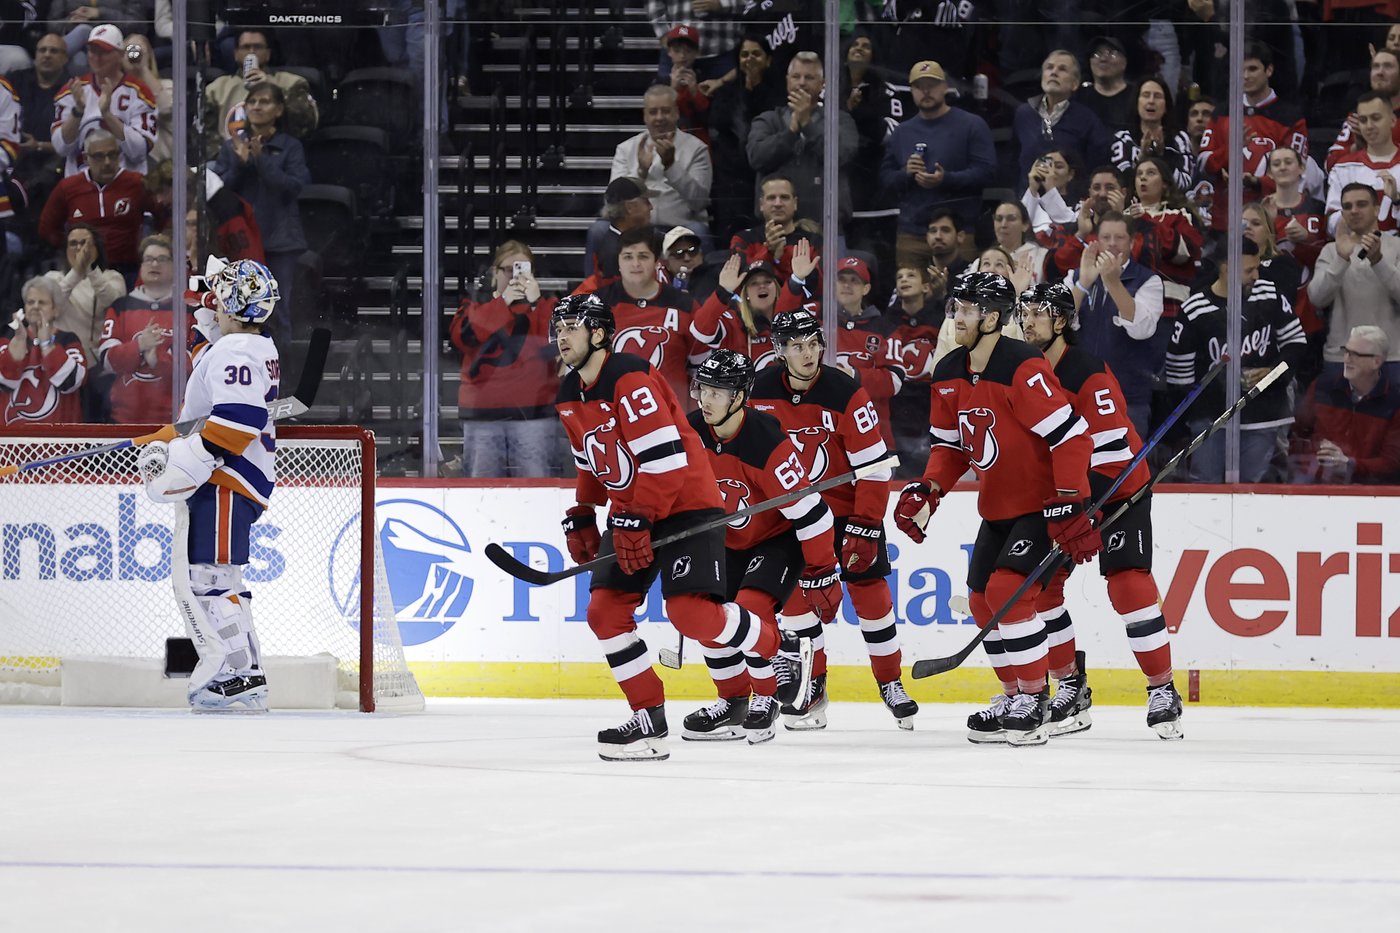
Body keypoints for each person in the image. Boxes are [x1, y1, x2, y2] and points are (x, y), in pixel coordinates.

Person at [551, 292, 813, 761]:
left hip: (686, 506)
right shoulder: (569, 394)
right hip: (634, 511)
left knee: (690, 614)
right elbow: (589, 460)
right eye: (558, 328)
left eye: (572, 327)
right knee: (604, 614)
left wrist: (639, 516)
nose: (561, 336)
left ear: (598, 333)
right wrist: (584, 511)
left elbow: (668, 462)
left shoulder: (630, 378)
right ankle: (648, 718)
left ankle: (778, 645)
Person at [893, 272, 1100, 746]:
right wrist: (929, 490)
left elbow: (1072, 436)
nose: (957, 318)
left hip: (1043, 507)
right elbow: (950, 449)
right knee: (982, 600)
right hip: (998, 507)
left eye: (968, 310)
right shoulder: (948, 371)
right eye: (957, 308)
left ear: (992, 317)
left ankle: (1035, 697)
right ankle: (1013, 696)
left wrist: (1070, 500)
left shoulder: (1022, 365)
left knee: (1008, 591)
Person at [1013, 282, 1184, 738]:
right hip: (1067, 497)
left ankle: (1162, 688)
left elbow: (1112, 448)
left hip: (1118, 488)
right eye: (1024, 313)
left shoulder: (1086, 371)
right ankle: (1070, 686)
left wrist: (1086, 506)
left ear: (1061, 321)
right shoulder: (1022, 369)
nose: (1028, 321)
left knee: (1127, 585)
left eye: (1038, 313)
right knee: (1042, 590)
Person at [748, 309, 913, 730]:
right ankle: (813, 686)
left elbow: (874, 466)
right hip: (793, 517)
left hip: (845, 512)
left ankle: (890, 681)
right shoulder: (758, 390)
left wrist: (866, 523)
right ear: (779, 351)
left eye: (813, 344)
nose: (808, 353)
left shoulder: (844, 391)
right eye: (797, 346)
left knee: (871, 595)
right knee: (795, 600)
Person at [134, 257, 282, 712]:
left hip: (225, 478)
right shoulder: (246, 346)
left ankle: (237, 675)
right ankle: (244, 673)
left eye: (218, 298)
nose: (212, 302)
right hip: (234, 479)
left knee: (209, 580)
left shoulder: (236, 352)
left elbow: (239, 420)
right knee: (221, 579)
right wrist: (204, 318)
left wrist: (186, 459)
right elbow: (210, 368)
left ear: (232, 306)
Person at [682, 349, 840, 743]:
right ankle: (733, 701)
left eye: (716, 392)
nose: (705, 400)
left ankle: (765, 697)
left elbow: (814, 513)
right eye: (703, 389)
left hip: (775, 540)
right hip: (726, 541)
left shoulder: (765, 439)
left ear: (739, 396)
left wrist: (821, 572)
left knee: (750, 610)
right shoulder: (690, 432)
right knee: (705, 617)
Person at [1166, 239, 1308, 483]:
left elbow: (1296, 343)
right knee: (1205, 488)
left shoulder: (1269, 294)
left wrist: (1273, 374)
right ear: (1227, 269)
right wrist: (1206, 404)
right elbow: (1179, 375)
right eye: (1249, 270)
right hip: (1211, 420)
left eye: (1257, 268)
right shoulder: (1195, 309)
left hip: (1262, 415)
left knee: (1254, 490)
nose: (1256, 276)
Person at [209, 81, 310, 350]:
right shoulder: (232, 147)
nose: (256, 106)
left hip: (279, 242)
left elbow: (293, 188)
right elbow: (217, 191)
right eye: (252, 101)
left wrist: (261, 160)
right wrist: (240, 164)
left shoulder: (290, 146)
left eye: (264, 102)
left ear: (279, 110)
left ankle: (281, 367)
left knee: (278, 309)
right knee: (236, 308)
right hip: (240, 242)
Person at [448, 240, 560, 478]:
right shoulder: (474, 303)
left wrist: (537, 304)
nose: (515, 276)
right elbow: (463, 337)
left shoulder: (549, 305)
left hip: (533, 413)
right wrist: (502, 303)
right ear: (494, 272)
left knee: (537, 486)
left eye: (523, 269)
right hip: (483, 414)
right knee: (481, 488)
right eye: (508, 269)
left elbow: (557, 346)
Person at [881, 60, 996, 271]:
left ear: (945, 87)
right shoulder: (902, 132)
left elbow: (987, 172)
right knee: (909, 291)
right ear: (912, 91)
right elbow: (886, 179)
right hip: (912, 234)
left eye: (931, 85)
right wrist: (906, 173)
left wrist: (946, 179)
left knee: (960, 291)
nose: (925, 91)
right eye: (919, 86)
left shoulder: (972, 125)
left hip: (959, 233)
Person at [1065, 210, 1165, 439]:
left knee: (1127, 461)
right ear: (1096, 241)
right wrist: (1083, 284)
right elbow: (1059, 325)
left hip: (1127, 397)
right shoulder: (1077, 276)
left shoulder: (1148, 280)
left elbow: (1142, 330)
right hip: (1078, 393)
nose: (1112, 243)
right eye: (1106, 237)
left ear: (1132, 241)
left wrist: (1114, 283)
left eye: (1119, 237)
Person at [1196, 41, 1309, 237]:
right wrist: (1231, 149)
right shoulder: (1222, 112)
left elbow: (1296, 175)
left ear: (1269, 70)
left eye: (1253, 69)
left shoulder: (1290, 118)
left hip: (1272, 225)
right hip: (1224, 223)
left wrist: (1257, 182)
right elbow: (1203, 164)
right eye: (1241, 70)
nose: (1246, 76)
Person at [586, 226, 707, 404]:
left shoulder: (685, 305)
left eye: (643, 256)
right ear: (618, 262)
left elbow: (700, 368)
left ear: (656, 261)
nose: (636, 264)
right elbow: (582, 366)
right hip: (614, 413)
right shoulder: (596, 304)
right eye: (628, 257)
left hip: (672, 413)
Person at [746, 52, 859, 223]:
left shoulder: (839, 120)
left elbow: (841, 154)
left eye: (809, 77)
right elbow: (757, 157)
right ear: (787, 81)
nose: (802, 83)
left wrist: (807, 124)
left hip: (827, 226)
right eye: (796, 77)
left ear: (822, 84)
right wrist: (791, 133)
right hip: (775, 227)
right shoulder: (767, 120)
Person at [1309, 183, 1400, 381]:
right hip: (1341, 358)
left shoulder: (1397, 247)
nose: (1354, 211)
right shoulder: (1331, 251)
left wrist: (1378, 261)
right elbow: (1316, 297)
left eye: (1361, 204)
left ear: (1376, 209)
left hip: (1391, 358)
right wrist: (1341, 259)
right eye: (1347, 206)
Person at [1291, 325, 1400, 484]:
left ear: (1376, 362)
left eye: (1356, 355)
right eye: (1346, 351)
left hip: (1370, 486)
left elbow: (1392, 462)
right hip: (1317, 480)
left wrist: (1350, 464)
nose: (1347, 359)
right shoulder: (1322, 387)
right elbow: (1297, 434)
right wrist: (1315, 450)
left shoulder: (1395, 401)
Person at [39, 129, 149, 281]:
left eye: (112, 155)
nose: (107, 162)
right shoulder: (68, 187)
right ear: (85, 158)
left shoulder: (137, 183)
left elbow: (164, 213)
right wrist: (71, 246)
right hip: (83, 270)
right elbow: (47, 227)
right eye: (99, 156)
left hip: (128, 268)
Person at [51, 24, 156, 177]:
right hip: (81, 184)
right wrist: (77, 112)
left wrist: (108, 115)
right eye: (92, 51)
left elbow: (139, 151)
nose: (97, 57)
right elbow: (61, 148)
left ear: (121, 55)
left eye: (104, 52)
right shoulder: (72, 90)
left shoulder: (140, 92)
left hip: (127, 184)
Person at [706, 36, 783, 242]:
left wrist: (754, 90)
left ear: (768, 60)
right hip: (731, 179)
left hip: (764, 175)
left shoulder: (778, 94)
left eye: (756, 54)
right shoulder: (726, 92)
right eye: (745, 54)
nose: (750, 59)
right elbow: (717, 121)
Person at [97, 234, 177, 424]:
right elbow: (107, 360)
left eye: (162, 259)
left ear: (174, 266)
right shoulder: (120, 307)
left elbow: (195, 365)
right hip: (124, 420)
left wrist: (158, 360)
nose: (154, 264)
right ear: (140, 266)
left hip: (174, 422)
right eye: (148, 259)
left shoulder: (187, 308)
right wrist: (139, 345)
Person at [610, 84, 711, 233]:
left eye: (666, 111)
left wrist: (671, 166)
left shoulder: (697, 149)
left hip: (680, 229)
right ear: (645, 116)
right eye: (653, 112)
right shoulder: (626, 149)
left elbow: (699, 202)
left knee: (699, 230)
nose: (659, 118)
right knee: (599, 230)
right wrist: (641, 172)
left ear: (677, 113)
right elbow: (613, 202)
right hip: (636, 229)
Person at [202, 29, 318, 156]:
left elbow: (306, 124)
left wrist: (270, 87)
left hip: (279, 158)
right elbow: (203, 133)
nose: (251, 52)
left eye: (258, 47)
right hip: (230, 159)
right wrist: (228, 156)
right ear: (236, 54)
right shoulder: (216, 89)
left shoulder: (290, 83)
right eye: (246, 47)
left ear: (268, 54)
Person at [1013, 50, 1110, 186]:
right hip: (1028, 195)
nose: (1054, 72)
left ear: (1075, 83)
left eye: (1062, 69)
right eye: (1049, 67)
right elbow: (1013, 161)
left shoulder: (1087, 119)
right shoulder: (1024, 114)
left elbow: (1097, 166)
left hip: (1070, 197)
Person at [0, 276, 87, 424]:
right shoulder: (8, 339)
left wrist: (46, 344)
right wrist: (16, 348)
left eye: (42, 302)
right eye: (30, 302)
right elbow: (3, 385)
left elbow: (72, 382)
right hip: (13, 435)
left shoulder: (68, 340)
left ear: (55, 310)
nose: (35, 306)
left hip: (57, 436)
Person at [43, 221, 126, 367]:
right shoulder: (52, 278)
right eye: (73, 244)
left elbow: (113, 303)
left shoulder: (112, 277)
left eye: (85, 243)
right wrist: (77, 271)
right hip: (60, 357)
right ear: (66, 250)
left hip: (95, 362)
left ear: (96, 249)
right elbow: (50, 305)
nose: (79, 248)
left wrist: (90, 270)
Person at [1325, 91, 1400, 235]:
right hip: (1356, 247)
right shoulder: (1343, 168)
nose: (1369, 126)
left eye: (1376, 118)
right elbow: (1331, 224)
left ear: (1392, 120)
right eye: (1363, 120)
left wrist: (1397, 201)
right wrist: (1357, 214)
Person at [728, 173, 821, 281]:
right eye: (771, 198)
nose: (778, 204)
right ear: (761, 204)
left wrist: (780, 259)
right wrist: (768, 251)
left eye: (784, 197)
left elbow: (820, 285)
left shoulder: (813, 241)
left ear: (795, 203)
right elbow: (743, 281)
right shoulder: (743, 239)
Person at [1109, 77, 1195, 193]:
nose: (1151, 101)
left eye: (1157, 96)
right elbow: (1122, 183)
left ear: (1166, 106)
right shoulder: (1123, 139)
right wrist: (1141, 157)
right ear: (1137, 103)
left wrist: (1162, 156)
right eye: (1146, 95)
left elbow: (1185, 183)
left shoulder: (1180, 139)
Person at [1325, 48, 1400, 172]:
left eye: (1388, 66)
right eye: (1375, 66)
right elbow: (1330, 165)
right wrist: (1358, 147)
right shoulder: (1358, 117)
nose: (1380, 72)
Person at [581, 176, 655, 292]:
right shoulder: (614, 253)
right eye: (646, 202)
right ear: (629, 208)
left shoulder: (623, 243)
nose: (651, 207)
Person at [120, 33, 171, 164]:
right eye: (129, 49)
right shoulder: (115, 91)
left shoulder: (166, 86)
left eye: (139, 51)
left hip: (159, 163)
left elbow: (166, 109)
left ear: (149, 56)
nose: (134, 54)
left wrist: (143, 69)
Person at [1020, 148, 1081, 240]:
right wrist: (1032, 188)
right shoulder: (1031, 200)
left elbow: (1070, 224)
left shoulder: (1081, 205)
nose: (1051, 172)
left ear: (1070, 174)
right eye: (1047, 166)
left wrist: (1050, 188)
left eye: (1058, 167)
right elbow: (1019, 224)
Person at [1076, 36, 1134, 133]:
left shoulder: (1137, 95)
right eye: (1097, 54)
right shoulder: (1078, 97)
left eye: (1111, 54)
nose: (1103, 59)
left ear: (1124, 62)